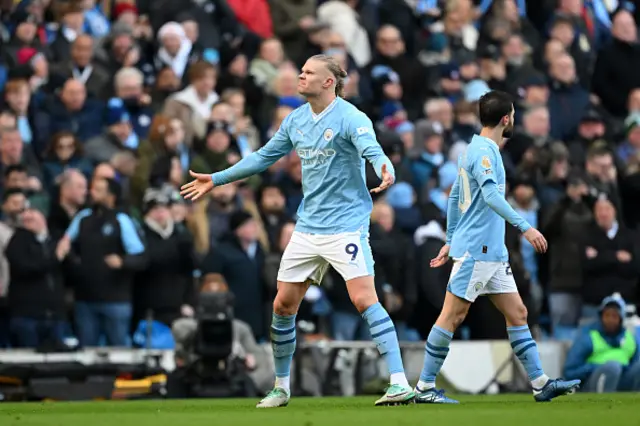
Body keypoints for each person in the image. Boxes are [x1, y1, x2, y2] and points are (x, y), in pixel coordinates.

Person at [181, 54, 414, 407]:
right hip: (307, 228)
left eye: (307, 73)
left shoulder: (351, 117)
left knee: (364, 299)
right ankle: (281, 386)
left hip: (346, 225)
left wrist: (384, 168)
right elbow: (262, 157)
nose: (299, 77)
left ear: (328, 82)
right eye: (300, 71)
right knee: (283, 305)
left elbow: (373, 149)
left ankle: (399, 381)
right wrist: (216, 178)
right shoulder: (296, 120)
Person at [418, 90, 581, 404]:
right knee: (452, 316)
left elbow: (454, 197)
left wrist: (449, 238)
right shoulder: (484, 153)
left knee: (518, 313)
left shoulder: (472, 149)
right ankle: (424, 387)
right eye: (514, 114)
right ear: (506, 118)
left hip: (491, 252)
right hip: (478, 250)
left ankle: (540, 382)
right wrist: (525, 227)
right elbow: (492, 197)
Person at [564, 294, 640, 393]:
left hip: (621, 380)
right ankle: (603, 404)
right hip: (592, 382)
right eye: (607, 315)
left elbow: (634, 365)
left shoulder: (630, 338)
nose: (610, 320)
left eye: (614, 316)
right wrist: (595, 367)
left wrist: (622, 367)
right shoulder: (589, 337)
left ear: (621, 319)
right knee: (612, 367)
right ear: (601, 316)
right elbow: (569, 372)